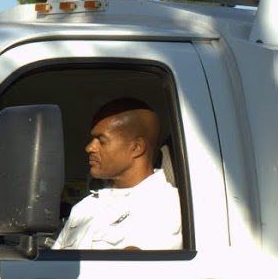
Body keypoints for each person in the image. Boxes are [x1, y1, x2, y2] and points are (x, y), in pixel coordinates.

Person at [51, 98, 182, 251]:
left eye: (101, 140)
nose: (89, 148)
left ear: (136, 148)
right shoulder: (84, 207)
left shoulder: (165, 205)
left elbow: (134, 269)